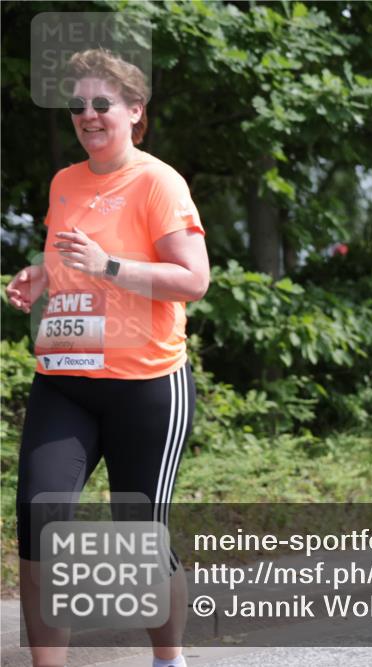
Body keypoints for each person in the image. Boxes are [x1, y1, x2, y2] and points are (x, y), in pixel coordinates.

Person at [6, 49, 209, 667]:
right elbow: (70, 258)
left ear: (135, 111)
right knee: (39, 515)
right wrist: (42, 275)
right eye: (78, 104)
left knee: (137, 536)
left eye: (102, 103)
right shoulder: (65, 183)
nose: (88, 114)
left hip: (145, 385)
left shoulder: (157, 182)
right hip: (65, 379)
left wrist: (109, 266)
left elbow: (193, 279)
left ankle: (168, 659)